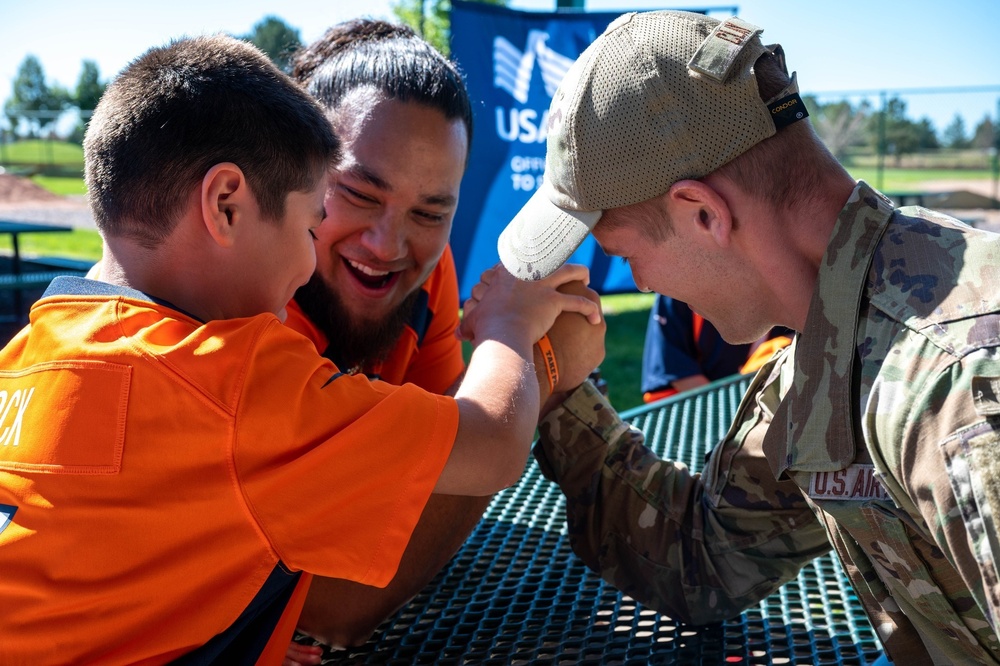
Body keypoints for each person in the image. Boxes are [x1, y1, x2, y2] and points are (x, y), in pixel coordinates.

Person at [0, 34, 603, 664]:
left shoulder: (31, 348)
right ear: (226, 205)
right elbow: (488, 444)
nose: (386, 244)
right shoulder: (236, 377)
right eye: (318, 215)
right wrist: (521, 339)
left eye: (429, 214)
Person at [488, 9, 1000, 663]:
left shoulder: (959, 386)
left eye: (622, 251)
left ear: (703, 213)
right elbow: (702, 555)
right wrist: (562, 390)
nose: (638, 282)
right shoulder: (834, 356)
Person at [274, 19, 598, 663]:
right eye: (360, 194)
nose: (388, 246)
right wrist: (538, 361)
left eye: (430, 213)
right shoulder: (242, 311)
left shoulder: (430, 273)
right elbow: (334, 605)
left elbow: (438, 458)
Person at [641, 294, 791, 402]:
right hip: (699, 405)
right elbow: (679, 373)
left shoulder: (786, 288)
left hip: (770, 404)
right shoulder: (674, 291)